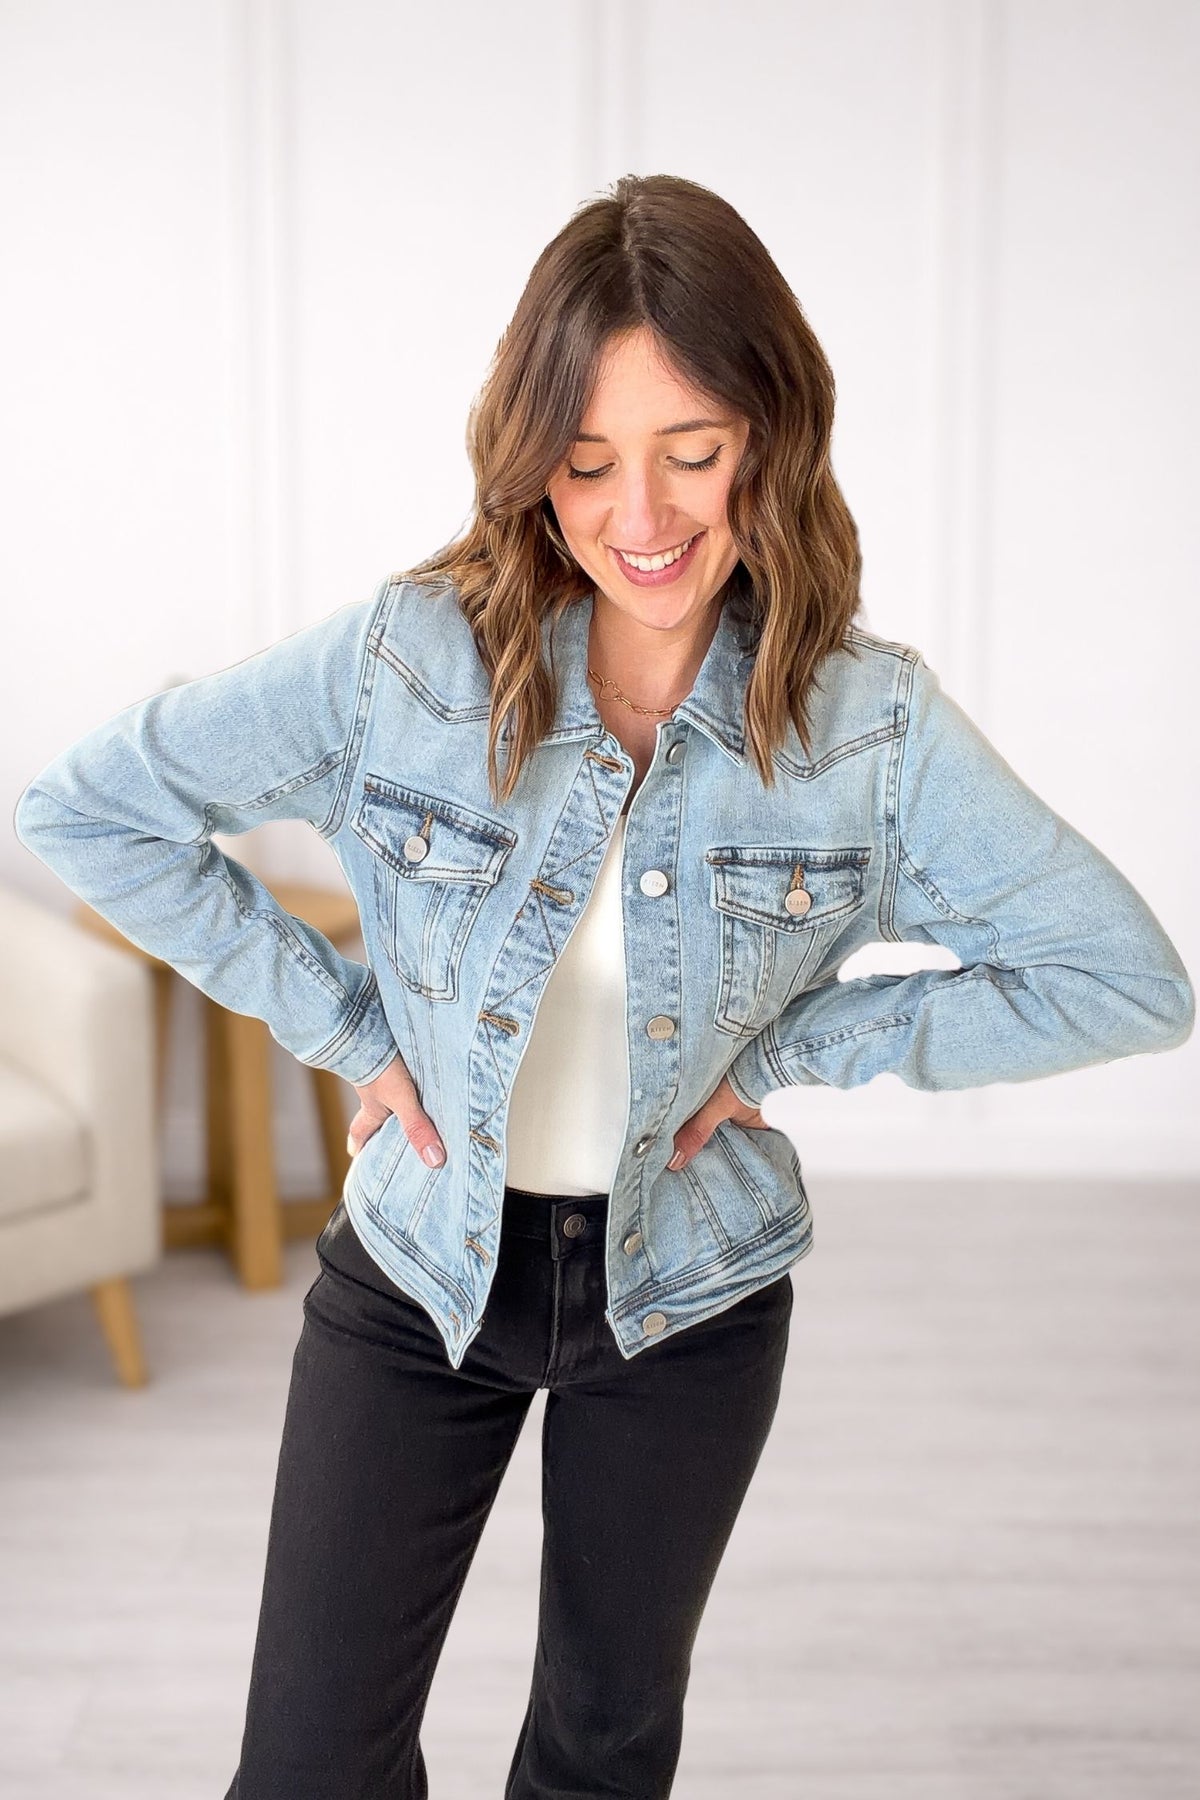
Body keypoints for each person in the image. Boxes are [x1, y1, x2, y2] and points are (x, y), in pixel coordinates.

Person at [12, 173, 1194, 1799]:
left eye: (690, 452)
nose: (639, 516)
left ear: (771, 433)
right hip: (424, 1267)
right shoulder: (407, 662)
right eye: (585, 463)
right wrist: (345, 1028)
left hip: (687, 1300)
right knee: (307, 1766)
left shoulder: (871, 728)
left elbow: (1123, 977)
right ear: (530, 466)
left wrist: (798, 1048)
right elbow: (87, 808)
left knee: (603, 1748)